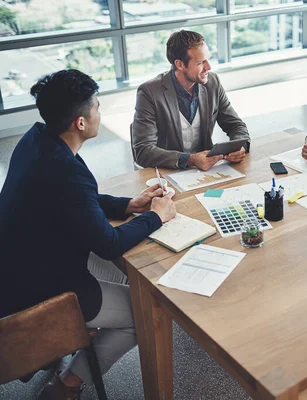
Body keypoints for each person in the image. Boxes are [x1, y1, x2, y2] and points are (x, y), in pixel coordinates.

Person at [0, 70, 177, 400]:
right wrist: (156, 215)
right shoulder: (68, 171)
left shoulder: (36, 140)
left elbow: (74, 200)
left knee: (129, 282)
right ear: (80, 122)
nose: (100, 112)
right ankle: (67, 384)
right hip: (39, 289)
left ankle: (62, 348)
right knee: (144, 312)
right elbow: (108, 244)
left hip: (16, 268)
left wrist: (130, 205)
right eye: (96, 106)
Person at [132, 30, 250, 170]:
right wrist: (190, 159)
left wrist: (239, 146)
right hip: (168, 173)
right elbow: (143, 151)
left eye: (208, 59)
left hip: (206, 172)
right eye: (200, 63)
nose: (209, 67)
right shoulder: (149, 92)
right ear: (180, 64)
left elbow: (236, 125)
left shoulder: (212, 82)